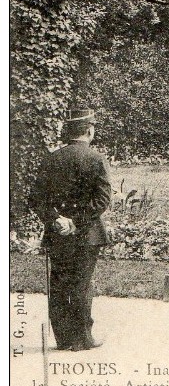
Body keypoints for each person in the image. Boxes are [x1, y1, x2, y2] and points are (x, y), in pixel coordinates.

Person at [28, 108, 111, 351]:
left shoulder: (51, 159)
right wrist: (75, 221)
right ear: (89, 130)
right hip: (87, 234)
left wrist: (56, 219)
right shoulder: (96, 158)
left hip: (58, 234)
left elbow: (36, 198)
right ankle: (82, 339)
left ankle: (63, 339)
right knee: (82, 284)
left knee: (60, 283)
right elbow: (101, 200)